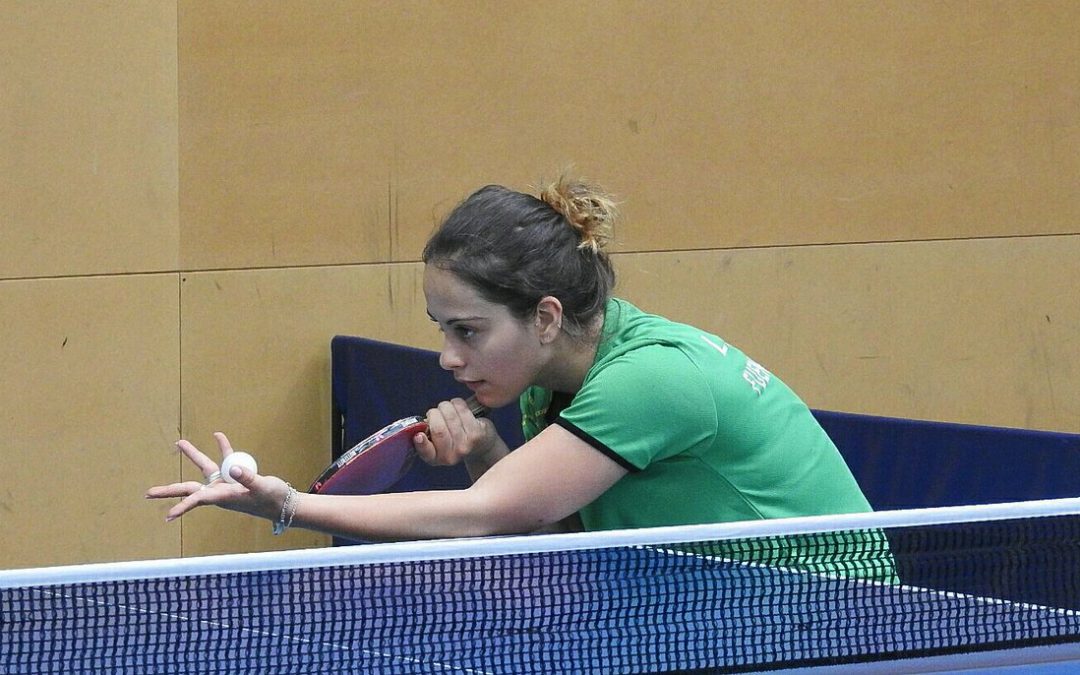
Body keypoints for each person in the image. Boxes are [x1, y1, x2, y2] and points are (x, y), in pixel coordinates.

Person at [146, 175, 878, 547]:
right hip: (716, 607)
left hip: (832, 610)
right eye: (441, 329)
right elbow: (548, 534)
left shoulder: (651, 379)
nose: (447, 355)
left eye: (468, 330)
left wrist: (286, 504)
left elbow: (489, 513)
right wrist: (490, 449)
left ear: (547, 316)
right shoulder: (553, 378)